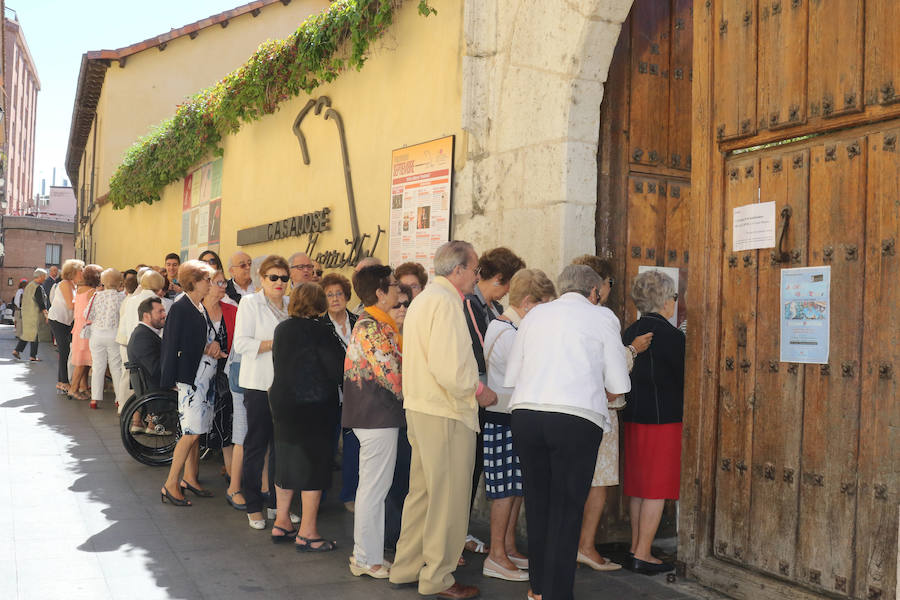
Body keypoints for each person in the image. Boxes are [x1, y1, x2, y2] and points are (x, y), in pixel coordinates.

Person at [504, 264, 631, 600]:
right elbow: (618, 383)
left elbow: (512, 373)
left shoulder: (535, 316)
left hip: (527, 415)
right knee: (567, 508)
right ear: (595, 292)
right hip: (575, 419)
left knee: (539, 502)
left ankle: (538, 589)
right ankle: (558, 594)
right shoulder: (601, 317)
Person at [389, 240, 497, 600]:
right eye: (475, 268)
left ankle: (406, 567)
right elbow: (450, 367)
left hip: (422, 408)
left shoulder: (424, 300)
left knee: (422, 494)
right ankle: (438, 577)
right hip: (446, 410)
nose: (477, 276)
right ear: (459, 270)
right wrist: (480, 392)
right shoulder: (448, 303)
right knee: (447, 499)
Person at [570, 255, 652, 572]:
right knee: (599, 483)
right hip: (600, 410)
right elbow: (614, 372)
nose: (610, 289)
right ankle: (586, 546)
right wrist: (633, 350)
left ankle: (572, 544)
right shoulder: (601, 317)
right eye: (609, 283)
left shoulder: (561, 316)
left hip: (571, 408)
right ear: (598, 285)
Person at [481, 269, 556, 582]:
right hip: (501, 417)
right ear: (528, 302)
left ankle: (508, 546)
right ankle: (495, 555)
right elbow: (527, 371)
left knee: (515, 487)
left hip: (513, 416)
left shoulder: (514, 327)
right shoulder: (507, 332)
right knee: (503, 490)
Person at [268, 283, 345, 549]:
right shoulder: (323, 332)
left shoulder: (282, 329)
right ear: (320, 304)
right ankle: (308, 532)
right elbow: (337, 370)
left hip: (283, 403)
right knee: (315, 465)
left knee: (286, 460)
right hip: (314, 406)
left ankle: (282, 522)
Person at [462, 246, 526, 556]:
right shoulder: (470, 305)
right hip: (474, 400)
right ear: (500, 278)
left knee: (478, 474)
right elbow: (475, 354)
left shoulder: (489, 306)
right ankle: (454, 540)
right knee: (467, 474)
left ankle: (461, 535)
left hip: (488, 403)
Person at [622, 270, 685, 575]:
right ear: (665, 300)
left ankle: (636, 546)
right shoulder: (673, 337)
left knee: (638, 486)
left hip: (634, 418)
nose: (675, 302)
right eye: (674, 297)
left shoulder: (629, 331)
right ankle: (644, 553)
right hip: (664, 421)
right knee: (656, 488)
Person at [343, 265, 404, 577]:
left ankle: (369, 555)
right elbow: (393, 376)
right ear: (380, 293)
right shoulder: (373, 327)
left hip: (375, 416)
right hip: (376, 416)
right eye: (393, 285)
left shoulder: (378, 324)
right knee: (373, 490)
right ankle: (366, 558)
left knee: (373, 488)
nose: (399, 291)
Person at [233, 255, 291, 528]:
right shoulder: (250, 303)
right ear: (261, 277)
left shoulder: (292, 305)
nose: (279, 282)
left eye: (284, 278)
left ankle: (279, 504)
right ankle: (253, 503)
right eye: (273, 277)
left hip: (286, 388)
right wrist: (277, 343)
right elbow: (242, 344)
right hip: (258, 385)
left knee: (283, 448)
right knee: (256, 446)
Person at [159, 259, 222, 506]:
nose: (211, 284)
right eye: (207, 279)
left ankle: (189, 478)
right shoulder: (181, 306)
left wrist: (211, 346)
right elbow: (171, 344)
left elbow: (198, 340)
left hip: (202, 379)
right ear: (194, 282)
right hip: (191, 380)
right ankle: (171, 483)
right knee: (190, 433)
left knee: (196, 432)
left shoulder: (197, 306)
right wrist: (171, 379)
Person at [317, 273, 359, 512]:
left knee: (353, 447)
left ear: (346, 296)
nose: (334, 298)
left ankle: (350, 495)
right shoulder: (319, 325)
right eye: (329, 295)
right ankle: (319, 496)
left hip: (356, 396)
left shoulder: (359, 321)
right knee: (326, 447)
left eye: (339, 294)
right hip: (328, 397)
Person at [116, 270, 167, 410]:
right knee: (149, 381)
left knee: (132, 380)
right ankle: (152, 418)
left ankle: (129, 412)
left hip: (131, 343)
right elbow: (163, 327)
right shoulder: (159, 303)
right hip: (150, 344)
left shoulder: (131, 300)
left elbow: (124, 325)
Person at [203, 269, 235, 476]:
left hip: (224, 378)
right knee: (195, 428)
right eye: (219, 283)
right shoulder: (195, 310)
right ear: (206, 284)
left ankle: (232, 472)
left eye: (224, 283)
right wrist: (205, 347)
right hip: (199, 377)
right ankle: (189, 476)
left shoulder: (231, 310)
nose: (224, 287)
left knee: (226, 423)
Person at [87, 268, 125, 409]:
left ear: (103, 282)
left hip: (97, 334)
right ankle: (119, 399)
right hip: (114, 335)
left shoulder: (96, 296)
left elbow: (88, 315)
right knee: (116, 368)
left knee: (98, 367)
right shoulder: (122, 297)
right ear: (119, 282)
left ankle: (94, 399)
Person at [48, 260, 85, 393]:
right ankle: (63, 382)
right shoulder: (65, 284)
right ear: (73, 272)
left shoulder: (73, 285)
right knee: (64, 350)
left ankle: (62, 381)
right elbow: (71, 305)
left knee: (65, 350)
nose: (83, 272)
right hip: (58, 320)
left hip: (64, 321)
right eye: (81, 270)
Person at [70, 265, 101, 400]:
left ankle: (83, 386)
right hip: (87, 329)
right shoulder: (93, 292)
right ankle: (73, 388)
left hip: (79, 328)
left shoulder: (81, 290)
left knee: (84, 359)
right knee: (82, 362)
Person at [127, 296, 166, 390]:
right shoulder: (141, 337)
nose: (164, 315)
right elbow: (156, 370)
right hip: (158, 392)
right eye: (160, 312)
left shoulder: (146, 334)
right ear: (146, 316)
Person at [13, 269, 49, 361]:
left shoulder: (29, 285)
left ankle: (17, 350)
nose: (45, 279)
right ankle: (32, 356)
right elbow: (41, 302)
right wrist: (46, 314)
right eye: (44, 276)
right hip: (34, 314)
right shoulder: (38, 287)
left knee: (28, 334)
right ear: (40, 276)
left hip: (26, 313)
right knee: (34, 334)